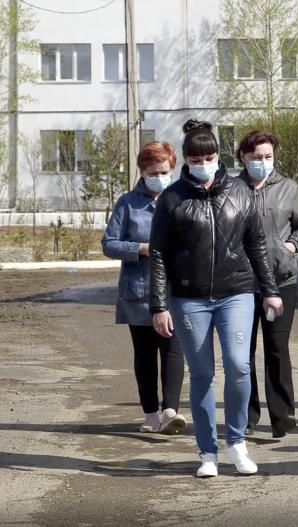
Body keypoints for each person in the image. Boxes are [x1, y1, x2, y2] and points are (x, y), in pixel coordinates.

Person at [150, 119, 282, 478]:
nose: (203, 163)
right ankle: (207, 451)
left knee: (239, 365)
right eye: (196, 158)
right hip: (190, 298)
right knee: (203, 374)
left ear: (218, 156)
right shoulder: (172, 199)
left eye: (209, 157)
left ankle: (236, 441)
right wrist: (159, 305)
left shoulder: (240, 192)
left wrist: (269, 291)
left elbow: (256, 244)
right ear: (186, 160)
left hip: (236, 292)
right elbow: (159, 253)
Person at [102, 141, 186, 435]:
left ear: (172, 169)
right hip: (138, 290)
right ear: (143, 171)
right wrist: (140, 248)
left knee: (175, 349)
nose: (159, 177)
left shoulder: (181, 199)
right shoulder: (127, 203)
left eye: (164, 171)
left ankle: (171, 410)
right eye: (153, 172)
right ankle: (150, 412)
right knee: (146, 354)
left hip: (176, 289)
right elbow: (109, 244)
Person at [236, 130, 298, 439]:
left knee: (277, 349)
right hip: (240, 282)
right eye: (256, 157)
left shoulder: (288, 188)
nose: (263, 163)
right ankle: (246, 414)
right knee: (242, 353)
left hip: (282, 280)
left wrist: (293, 245)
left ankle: (283, 415)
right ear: (243, 157)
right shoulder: (231, 188)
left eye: (268, 157)